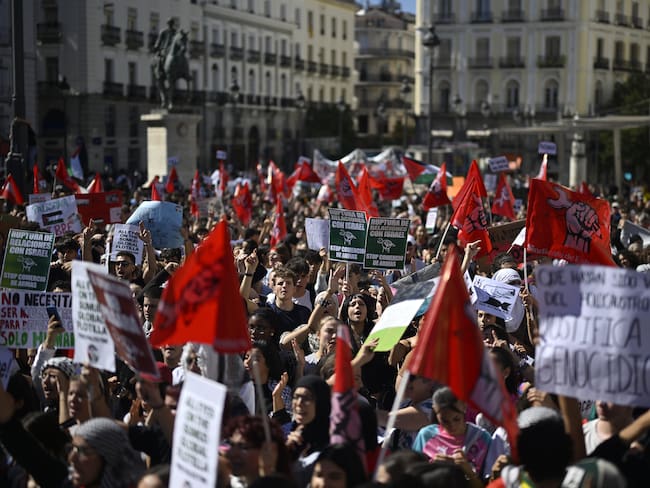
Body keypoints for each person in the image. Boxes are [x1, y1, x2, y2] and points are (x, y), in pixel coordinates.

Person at [413, 387, 491, 483]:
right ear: (435, 410)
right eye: (444, 421)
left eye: (456, 419)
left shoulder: (482, 438)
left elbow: (490, 483)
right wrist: (433, 468)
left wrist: (467, 471)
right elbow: (413, 477)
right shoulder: (426, 435)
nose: (452, 426)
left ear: (464, 406)